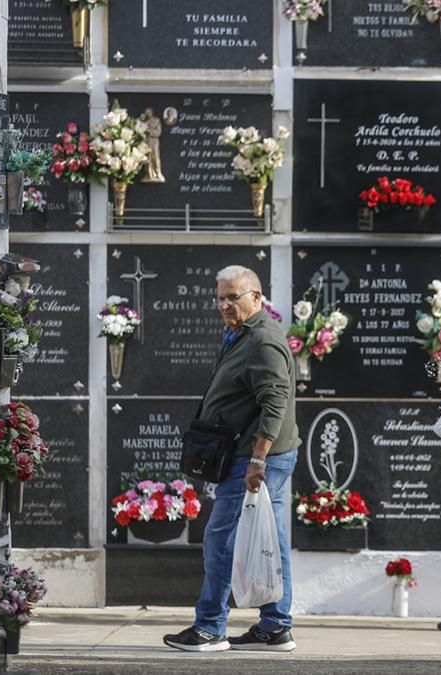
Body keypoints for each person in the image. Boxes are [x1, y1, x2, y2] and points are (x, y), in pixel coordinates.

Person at [163, 266, 301, 653]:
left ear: (256, 297)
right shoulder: (242, 333)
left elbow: (275, 402)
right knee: (271, 539)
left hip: (253, 460)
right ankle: (275, 626)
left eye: (232, 297)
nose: (224, 304)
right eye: (220, 298)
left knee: (221, 538)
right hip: (254, 456)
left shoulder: (262, 340)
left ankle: (210, 627)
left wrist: (258, 460)